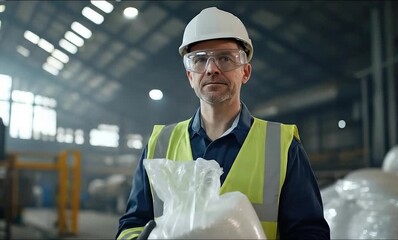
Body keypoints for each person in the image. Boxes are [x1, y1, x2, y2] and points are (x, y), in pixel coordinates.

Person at [116, 7, 330, 240]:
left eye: (225, 58)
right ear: (190, 77)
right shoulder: (159, 145)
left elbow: (310, 233)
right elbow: (132, 225)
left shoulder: (283, 146)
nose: (212, 69)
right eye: (199, 60)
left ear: (245, 72)